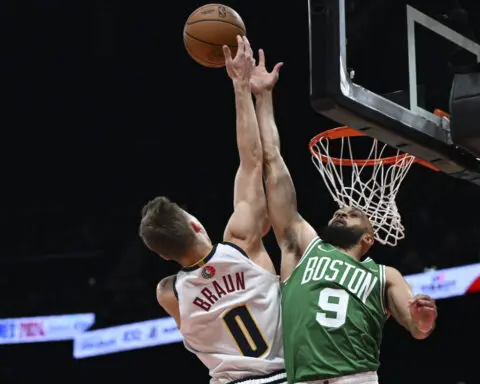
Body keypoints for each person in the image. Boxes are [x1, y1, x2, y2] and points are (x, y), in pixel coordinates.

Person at [249, 49, 438, 384]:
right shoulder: (301, 248)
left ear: (369, 237)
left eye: (354, 213)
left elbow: (416, 327)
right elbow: (272, 161)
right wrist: (263, 97)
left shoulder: (384, 275)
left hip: (356, 377)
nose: (343, 209)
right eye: (341, 209)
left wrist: (422, 319)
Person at [138, 36, 286, 384]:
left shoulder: (168, 294)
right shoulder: (242, 243)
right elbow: (252, 161)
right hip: (284, 375)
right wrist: (242, 87)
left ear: (163, 256)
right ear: (194, 225)